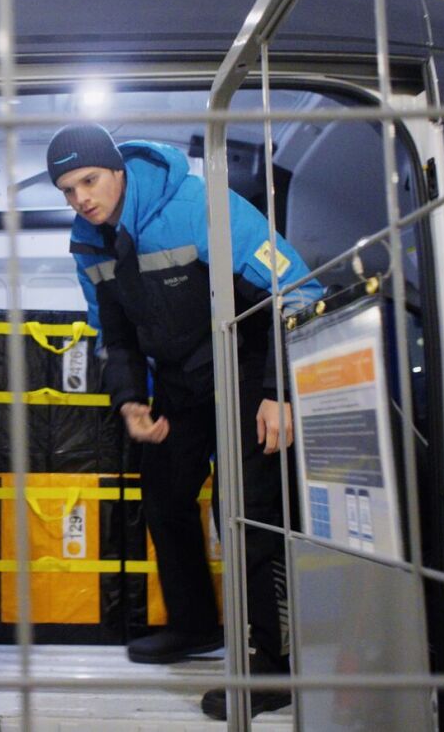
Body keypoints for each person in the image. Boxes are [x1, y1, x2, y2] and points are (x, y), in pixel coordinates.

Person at [47, 123, 321, 719]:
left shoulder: (198, 204)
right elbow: (112, 334)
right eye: (67, 190)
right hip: (180, 380)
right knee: (165, 495)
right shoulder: (87, 243)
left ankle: (275, 664)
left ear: (116, 169)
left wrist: (278, 389)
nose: (80, 199)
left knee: (245, 510)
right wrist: (130, 400)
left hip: (246, 369)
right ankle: (198, 626)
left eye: (88, 181)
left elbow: (295, 289)